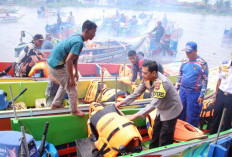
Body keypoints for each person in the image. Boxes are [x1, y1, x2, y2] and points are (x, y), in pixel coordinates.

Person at [115, 60, 183, 149]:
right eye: (142, 72)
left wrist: (134, 115)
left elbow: (154, 104)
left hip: (171, 109)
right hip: (161, 108)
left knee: (165, 136)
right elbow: (137, 93)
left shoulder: (162, 83)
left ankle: (164, 152)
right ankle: (152, 151)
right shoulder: (146, 79)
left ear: (153, 73)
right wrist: (122, 102)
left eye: (145, 73)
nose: (142, 75)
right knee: (156, 131)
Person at [47, 20, 97, 116]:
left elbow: (74, 58)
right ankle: (73, 110)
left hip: (54, 63)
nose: (94, 35)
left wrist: (76, 72)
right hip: (56, 65)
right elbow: (69, 61)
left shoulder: (77, 38)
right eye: (92, 33)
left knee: (64, 84)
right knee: (72, 87)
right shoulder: (79, 42)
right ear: (86, 31)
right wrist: (71, 78)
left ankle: (55, 104)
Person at [175, 41, 208, 127]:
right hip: (182, 91)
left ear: (195, 51)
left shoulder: (202, 63)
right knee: (180, 111)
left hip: (194, 93)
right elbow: (180, 75)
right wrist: (176, 89)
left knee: (192, 115)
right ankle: (181, 130)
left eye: (189, 52)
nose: (187, 54)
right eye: (186, 51)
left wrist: (202, 95)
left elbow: (205, 80)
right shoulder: (184, 61)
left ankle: (192, 132)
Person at [210, 54, 232, 134]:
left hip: (230, 97)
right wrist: (215, 95)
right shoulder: (224, 64)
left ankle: (224, 138)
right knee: (216, 116)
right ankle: (212, 135)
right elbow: (219, 80)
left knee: (227, 119)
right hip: (221, 93)